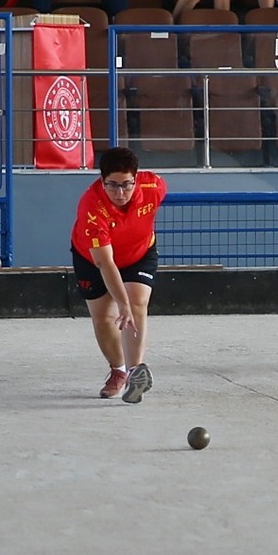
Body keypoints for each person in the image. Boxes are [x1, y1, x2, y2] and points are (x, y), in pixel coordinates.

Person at [70, 146, 167, 403]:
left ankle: (136, 371)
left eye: (126, 185)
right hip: (93, 259)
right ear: (102, 181)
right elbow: (105, 263)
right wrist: (120, 303)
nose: (120, 192)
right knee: (104, 319)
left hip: (139, 254)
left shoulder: (154, 186)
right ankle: (118, 370)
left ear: (136, 180)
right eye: (112, 185)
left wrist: (127, 303)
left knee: (137, 304)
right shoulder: (91, 206)